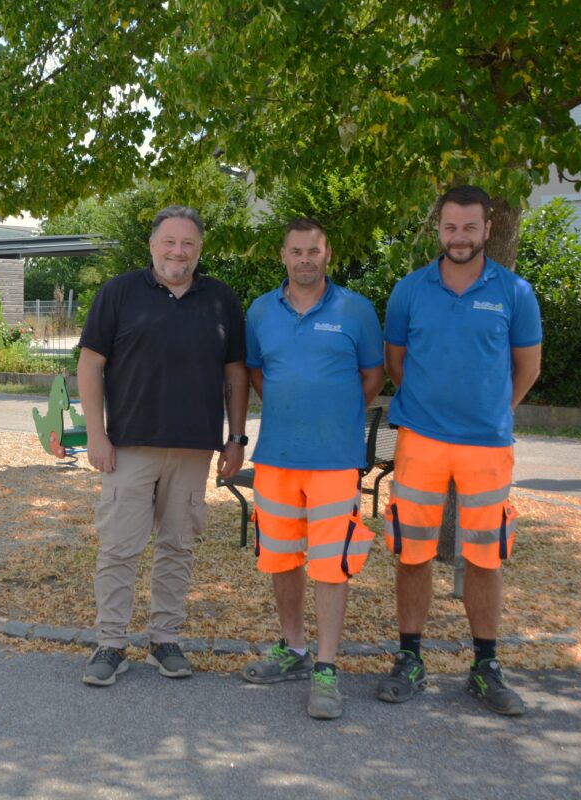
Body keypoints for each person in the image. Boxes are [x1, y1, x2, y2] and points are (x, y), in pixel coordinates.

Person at [378, 185, 542, 716]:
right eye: (450, 227)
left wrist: (489, 411)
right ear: (438, 229)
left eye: (470, 227)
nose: (459, 237)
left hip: (486, 447)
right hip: (420, 441)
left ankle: (486, 665)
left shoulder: (515, 292)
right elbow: (396, 363)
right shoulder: (409, 289)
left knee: (485, 556)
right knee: (412, 550)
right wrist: (434, 410)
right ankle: (410, 658)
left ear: (488, 228)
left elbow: (527, 369)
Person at [76, 205, 249, 686]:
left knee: (178, 547)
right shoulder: (119, 293)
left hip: (194, 449)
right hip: (129, 445)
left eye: (188, 243)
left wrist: (235, 438)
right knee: (118, 548)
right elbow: (90, 365)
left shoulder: (221, 300)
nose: (179, 251)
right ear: (152, 245)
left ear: (200, 249)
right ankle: (111, 644)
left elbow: (235, 373)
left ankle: (164, 639)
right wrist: (96, 433)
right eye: (169, 242)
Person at [238, 218, 384, 719]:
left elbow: (373, 375)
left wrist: (336, 414)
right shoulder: (260, 311)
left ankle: (326, 667)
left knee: (331, 563)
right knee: (279, 559)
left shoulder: (355, 310)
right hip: (276, 457)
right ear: (282, 255)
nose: (305, 259)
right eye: (296, 251)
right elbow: (257, 373)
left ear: (328, 254)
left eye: (314, 251)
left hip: (335, 461)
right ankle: (295, 649)